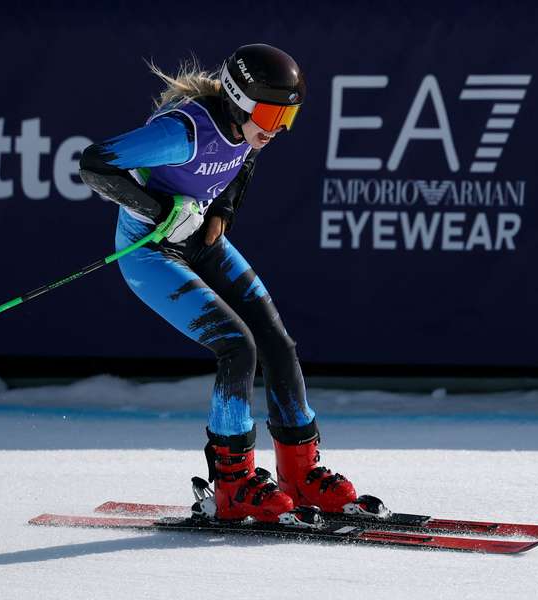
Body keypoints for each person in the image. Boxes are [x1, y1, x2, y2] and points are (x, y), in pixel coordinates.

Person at [79, 44, 377, 523]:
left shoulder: (248, 128)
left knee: (276, 340)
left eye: (289, 117)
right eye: (271, 113)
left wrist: (222, 210)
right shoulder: (182, 133)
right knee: (238, 346)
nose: (278, 128)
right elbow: (95, 162)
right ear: (239, 100)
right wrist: (158, 212)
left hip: (198, 238)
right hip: (151, 253)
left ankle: (300, 472)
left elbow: (243, 158)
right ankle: (233, 483)